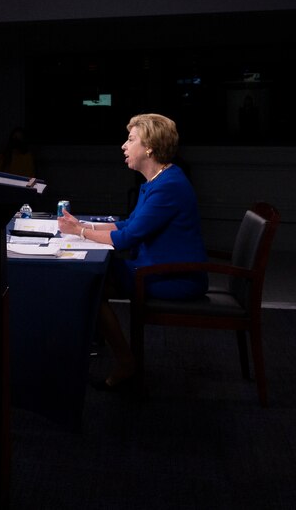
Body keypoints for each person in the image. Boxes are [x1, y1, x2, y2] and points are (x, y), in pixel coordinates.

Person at [57, 113, 207, 391]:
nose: (124, 146)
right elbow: (130, 224)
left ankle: (125, 362)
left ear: (148, 147)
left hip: (174, 277)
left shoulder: (169, 186)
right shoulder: (160, 180)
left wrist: (78, 232)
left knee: (90, 286)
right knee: (92, 282)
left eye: (131, 139)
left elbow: (126, 238)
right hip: (156, 268)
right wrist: (84, 225)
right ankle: (106, 350)